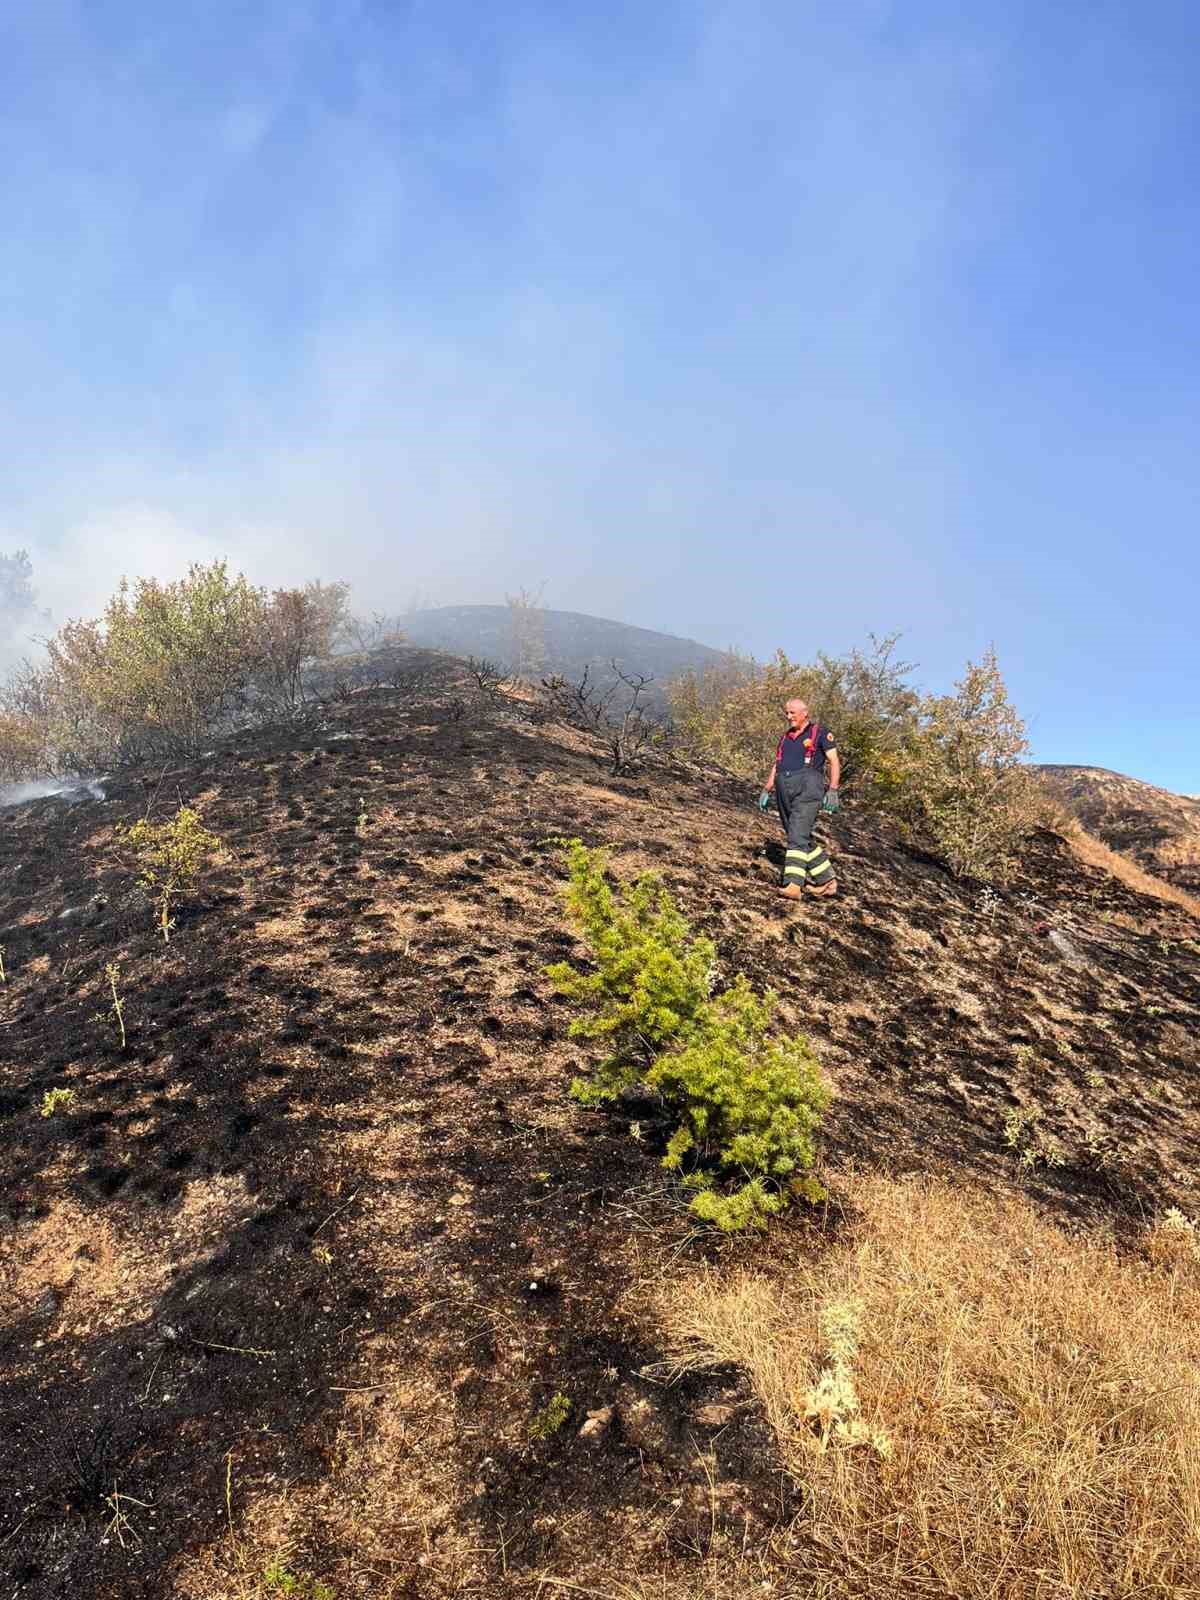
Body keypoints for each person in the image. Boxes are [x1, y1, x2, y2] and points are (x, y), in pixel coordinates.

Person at [758, 698, 840, 899]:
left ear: (805, 713)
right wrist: (767, 789)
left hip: (808, 787)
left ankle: (793, 884)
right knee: (797, 833)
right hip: (783, 787)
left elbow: (834, 760)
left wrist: (833, 789)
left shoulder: (820, 732)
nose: (789, 717)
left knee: (796, 835)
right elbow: (777, 764)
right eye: (787, 713)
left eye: (792, 713)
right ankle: (827, 881)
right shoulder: (785, 737)